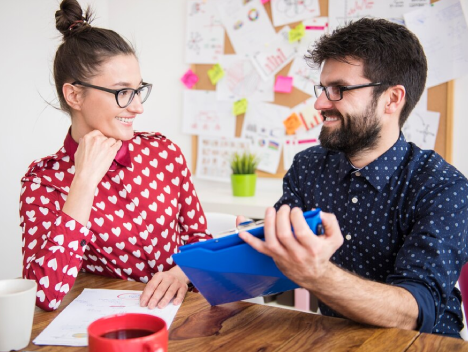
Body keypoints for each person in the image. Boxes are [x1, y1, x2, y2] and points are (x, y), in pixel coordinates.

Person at [239, 18, 468, 338]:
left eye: (339, 90)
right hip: (336, 338)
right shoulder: (308, 167)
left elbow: (415, 311)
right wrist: (199, 268)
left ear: (392, 99)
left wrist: (318, 275)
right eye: (323, 89)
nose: (320, 103)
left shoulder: (443, 188)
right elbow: (278, 257)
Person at [20, 0, 211, 312]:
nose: (137, 107)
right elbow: (44, 295)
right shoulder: (43, 182)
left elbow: (199, 238)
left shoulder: (164, 152)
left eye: (139, 90)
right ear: (75, 95)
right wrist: (82, 183)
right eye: (123, 92)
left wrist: (182, 272)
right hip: (112, 330)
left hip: (187, 316)